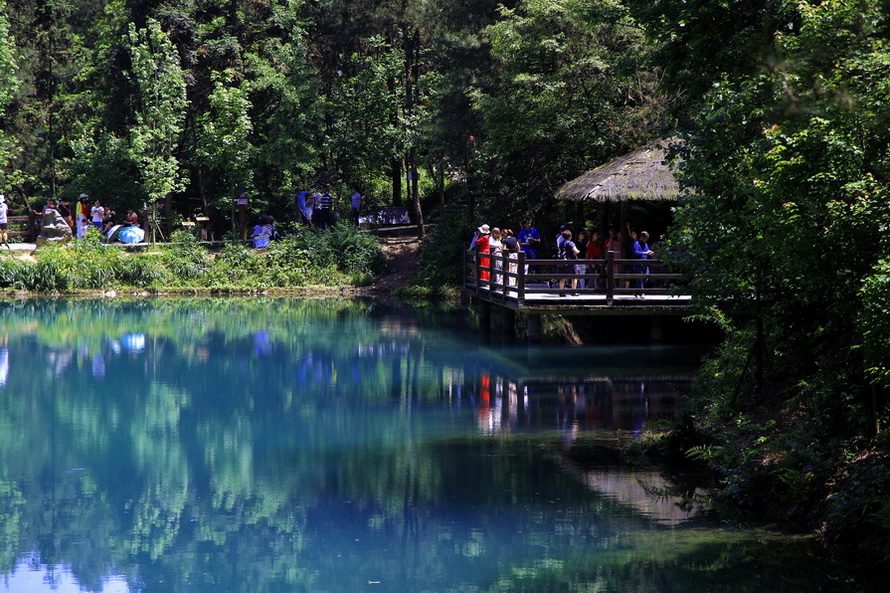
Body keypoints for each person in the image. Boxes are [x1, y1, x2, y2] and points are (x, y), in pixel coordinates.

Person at [632, 231, 655, 296]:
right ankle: (641, 293)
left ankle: (636, 290)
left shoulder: (646, 244)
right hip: (638, 263)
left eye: (647, 238)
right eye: (645, 238)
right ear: (642, 237)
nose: (646, 240)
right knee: (639, 278)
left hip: (645, 263)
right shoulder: (636, 244)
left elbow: (647, 252)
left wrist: (650, 253)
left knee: (646, 277)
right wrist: (644, 253)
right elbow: (635, 252)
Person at [558, 230, 579, 295]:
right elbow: (576, 251)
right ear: (570, 236)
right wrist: (579, 251)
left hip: (563, 261)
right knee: (574, 276)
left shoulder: (561, 244)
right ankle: (573, 291)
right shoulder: (570, 243)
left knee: (563, 277)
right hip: (571, 262)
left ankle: (561, 292)